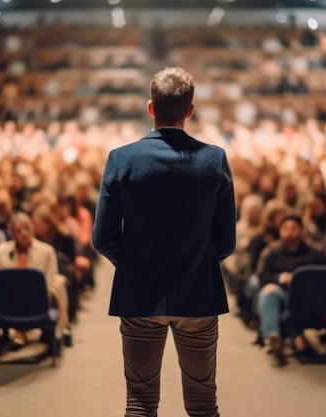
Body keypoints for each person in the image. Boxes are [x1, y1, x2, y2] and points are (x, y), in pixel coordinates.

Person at [92, 67, 236, 417]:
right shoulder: (213, 158)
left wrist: (132, 262)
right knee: (203, 404)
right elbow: (226, 240)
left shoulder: (122, 159)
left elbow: (103, 237)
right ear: (190, 110)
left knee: (140, 402)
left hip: (140, 292)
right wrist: (198, 262)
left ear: (150, 108)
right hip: (198, 294)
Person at [0, 212, 70, 349]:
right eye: (19, 230)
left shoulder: (47, 251)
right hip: (8, 298)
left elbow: (49, 280)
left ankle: (22, 333)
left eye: (27, 228)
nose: (24, 233)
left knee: (53, 290)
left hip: (37, 298)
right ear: (12, 233)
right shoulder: (1, 251)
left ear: (33, 229)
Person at [255, 214, 326, 366]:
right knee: (268, 292)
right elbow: (262, 275)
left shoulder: (315, 253)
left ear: (301, 231)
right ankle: (272, 338)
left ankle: (295, 336)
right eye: (285, 228)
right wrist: (281, 278)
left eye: (294, 228)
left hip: (307, 296)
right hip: (282, 293)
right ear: (280, 230)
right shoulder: (272, 251)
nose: (289, 232)